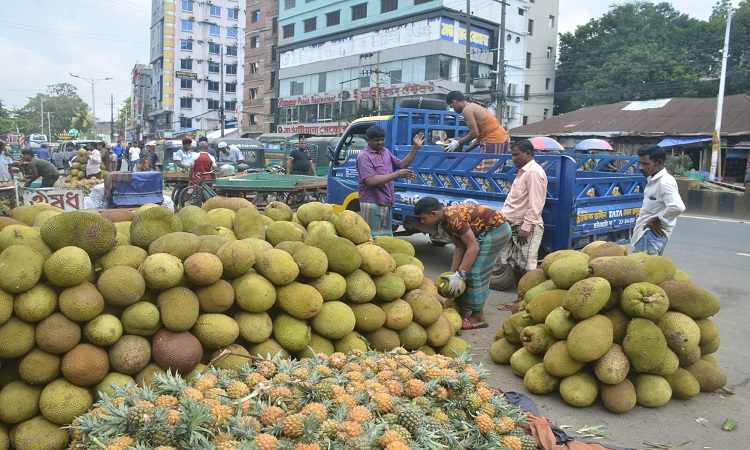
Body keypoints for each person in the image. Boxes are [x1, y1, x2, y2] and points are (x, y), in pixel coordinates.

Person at [415, 196, 511, 329]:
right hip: (487, 230)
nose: (422, 221)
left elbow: (473, 247)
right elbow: (460, 247)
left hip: (498, 230)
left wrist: (460, 275)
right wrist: (452, 274)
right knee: (464, 270)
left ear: (433, 214)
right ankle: (465, 306)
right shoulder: (445, 221)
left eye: (423, 218)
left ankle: (478, 317)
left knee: (474, 271)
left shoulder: (454, 218)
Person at [498, 139, 548, 305]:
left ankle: (528, 302)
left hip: (526, 225)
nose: (513, 158)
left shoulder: (534, 172)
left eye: (516, 154)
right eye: (512, 154)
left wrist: (526, 228)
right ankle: (519, 299)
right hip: (512, 224)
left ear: (528, 153)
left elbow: (536, 204)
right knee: (514, 262)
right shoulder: (523, 172)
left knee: (527, 265)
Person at [356, 126, 423, 237]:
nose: (380, 142)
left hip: (386, 202)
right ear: (368, 140)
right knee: (372, 239)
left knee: (386, 239)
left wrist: (416, 147)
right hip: (372, 203)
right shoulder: (364, 156)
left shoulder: (385, 152)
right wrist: (396, 174)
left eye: (382, 139)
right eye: (376, 140)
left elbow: (402, 165)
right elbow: (370, 180)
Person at [631, 145, 685, 255]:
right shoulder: (653, 179)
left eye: (645, 164)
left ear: (659, 163)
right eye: (640, 163)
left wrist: (658, 219)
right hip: (647, 235)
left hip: (650, 235)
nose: (641, 167)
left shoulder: (665, 182)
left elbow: (677, 207)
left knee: (644, 271)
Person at [445, 90, 509, 154]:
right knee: (495, 164)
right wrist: (466, 150)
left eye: (452, 107)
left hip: (493, 141)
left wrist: (457, 143)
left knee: (487, 164)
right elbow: (481, 136)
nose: (454, 110)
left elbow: (474, 133)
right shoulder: (474, 106)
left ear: (454, 102)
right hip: (501, 139)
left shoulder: (467, 110)